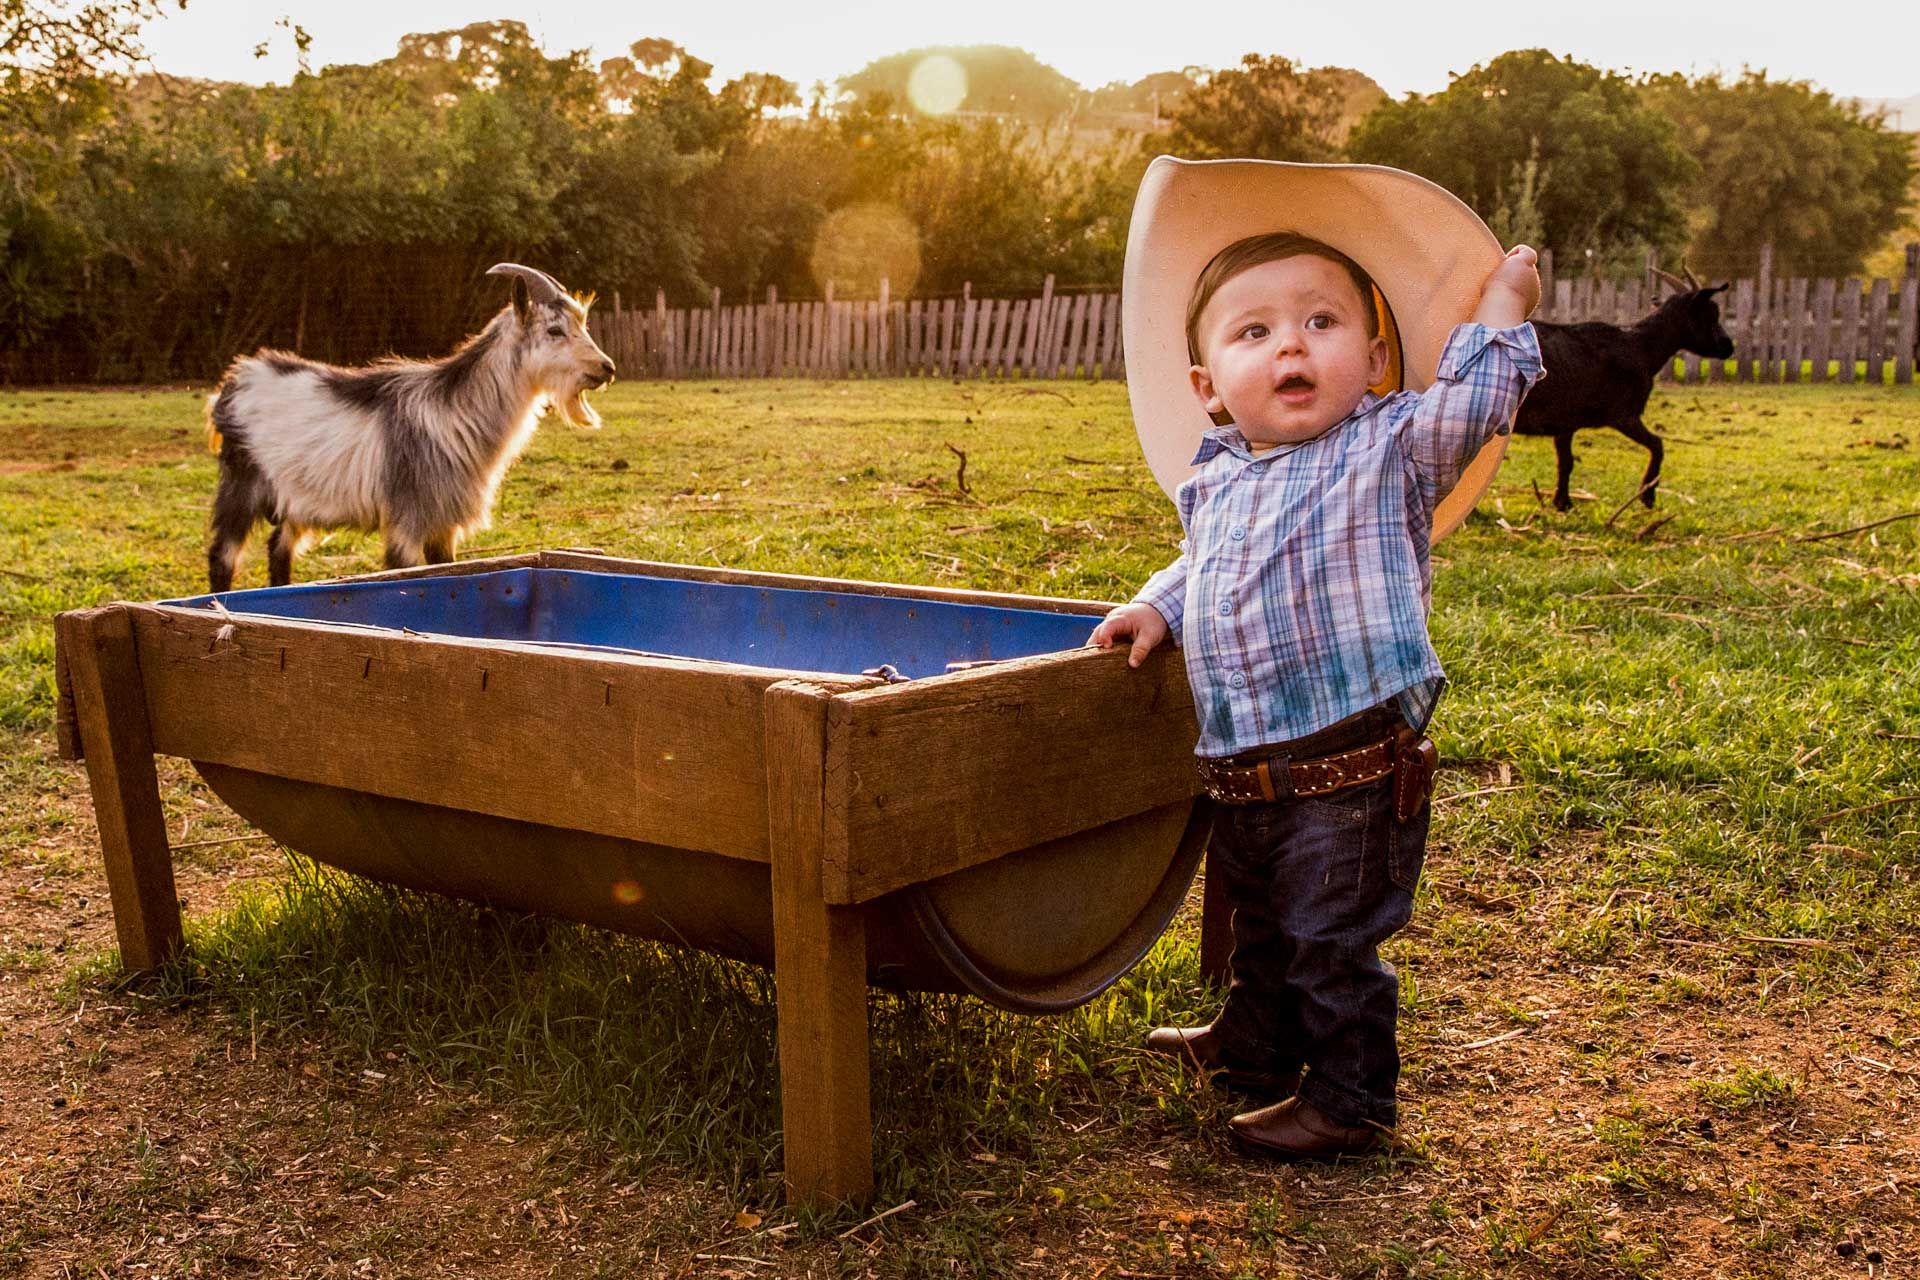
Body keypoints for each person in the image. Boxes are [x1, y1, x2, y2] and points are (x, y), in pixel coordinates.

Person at [1091, 229, 1543, 1159]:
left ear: (1375, 361)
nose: (1291, 345)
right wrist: (1155, 607)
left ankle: (1350, 1099)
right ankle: (1255, 1044)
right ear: (1209, 386)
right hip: (1244, 761)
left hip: (1351, 758)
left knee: (1327, 934)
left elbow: (1473, 406)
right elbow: (1202, 565)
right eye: (1253, 332)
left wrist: (1501, 311)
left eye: (1321, 321)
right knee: (1261, 923)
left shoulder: (1393, 447)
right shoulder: (1217, 477)